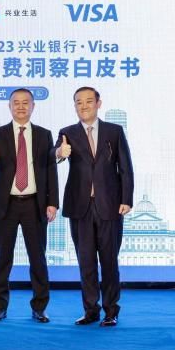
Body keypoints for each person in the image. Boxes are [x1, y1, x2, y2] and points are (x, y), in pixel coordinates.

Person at [55, 87, 133, 326]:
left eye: (89, 101)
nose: (84, 106)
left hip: (110, 205)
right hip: (80, 208)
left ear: (99, 103)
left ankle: (111, 311)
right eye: (79, 102)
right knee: (86, 262)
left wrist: (126, 199)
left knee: (109, 261)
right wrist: (59, 152)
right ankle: (91, 310)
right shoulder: (67, 133)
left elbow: (125, 167)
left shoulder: (114, 131)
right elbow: (54, 155)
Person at [0, 88, 58, 323]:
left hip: (34, 204)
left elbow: (51, 170)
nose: (21, 106)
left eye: (26, 102)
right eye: (16, 102)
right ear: (10, 106)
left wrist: (53, 202)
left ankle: (39, 307)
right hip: (5, 205)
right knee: (2, 258)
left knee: (38, 259)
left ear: (33, 106)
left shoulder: (44, 135)